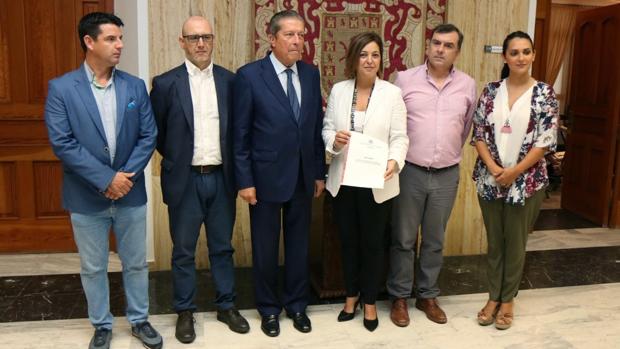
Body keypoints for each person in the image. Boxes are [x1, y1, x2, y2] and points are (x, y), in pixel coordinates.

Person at [44, 12, 162, 349]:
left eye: (120, 38)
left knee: (136, 263)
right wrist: (107, 179)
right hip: (86, 197)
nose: (120, 45)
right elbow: (63, 143)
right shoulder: (62, 89)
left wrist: (124, 179)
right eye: (111, 39)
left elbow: (148, 136)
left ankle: (139, 320)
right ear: (89, 42)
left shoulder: (134, 86)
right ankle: (101, 324)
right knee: (93, 267)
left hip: (130, 195)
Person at [150, 16, 249, 343]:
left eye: (206, 37)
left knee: (222, 248)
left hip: (221, 179)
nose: (201, 44)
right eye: (193, 38)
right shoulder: (165, 84)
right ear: (182, 42)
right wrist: (180, 162)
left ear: (213, 39)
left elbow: (238, 132)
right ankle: (185, 311)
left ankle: (226, 305)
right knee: (183, 251)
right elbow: (159, 136)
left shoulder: (231, 82)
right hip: (185, 181)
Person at [232, 9, 326, 337]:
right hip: (264, 178)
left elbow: (313, 129)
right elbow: (240, 134)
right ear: (271, 39)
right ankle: (269, 309)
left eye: (301, 34)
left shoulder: (311, 75)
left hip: (302, 177)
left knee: (300, 246)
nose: (298, 41)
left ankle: (297, 305)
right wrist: (244, 180)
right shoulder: (249, 76)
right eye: (290, 34)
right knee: (266, 248)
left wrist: (318, 172)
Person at [387, 23, 477, 327]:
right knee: (403, 238)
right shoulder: (404, 80)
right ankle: (399, 296)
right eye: (436, 43)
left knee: (435, 239)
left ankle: (426, 294)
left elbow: (465, 128)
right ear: (428, 46)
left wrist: (444, 155)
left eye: (448, 45)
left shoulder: (467, 85)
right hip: (409, 171)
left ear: (457, 52)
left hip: (446, 175)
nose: (440, 49)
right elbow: (392, 125)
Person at [322, 32, 408, 332]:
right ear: (353, 59)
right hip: (344, 181)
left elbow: (400, 137)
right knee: (348, 242)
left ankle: (370, 301)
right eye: (363, 54)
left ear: (380, 59)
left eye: (375, 54)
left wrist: (394, 162)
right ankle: (350, 296)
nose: (369, 60)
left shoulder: (391, 94)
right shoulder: (339, 91)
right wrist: (335, 140)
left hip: (378, 182)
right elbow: (327, 129)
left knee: (373, 244)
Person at [472, 31, 558, 330]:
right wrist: (496, 168)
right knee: (496, 243)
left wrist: (515, 171)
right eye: (514, 52)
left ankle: (508, 300)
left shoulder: (544, 93)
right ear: (505, 57)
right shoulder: (490, 90)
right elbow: (479, 134)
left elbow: (545, 141)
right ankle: (493, 297)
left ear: (533, 55)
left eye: (526, 51)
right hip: (489, 179)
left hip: (527, 182)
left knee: (516, 243)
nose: (520, 57)